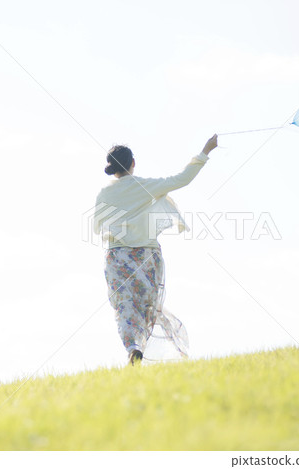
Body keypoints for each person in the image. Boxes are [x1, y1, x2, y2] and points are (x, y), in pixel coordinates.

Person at [93, 134, 218, 365]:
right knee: (147, 306)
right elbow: (182, 178)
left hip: (117, 257)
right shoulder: (145, 186)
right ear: (132, 163)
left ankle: (133, 346)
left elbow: (99, 225)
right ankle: (138, 347)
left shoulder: (105, 194)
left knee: (124, 306)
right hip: (146, 257)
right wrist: (206, 151)